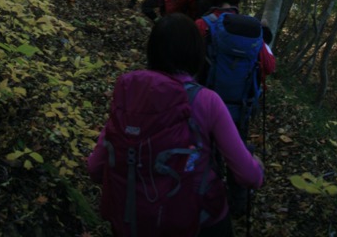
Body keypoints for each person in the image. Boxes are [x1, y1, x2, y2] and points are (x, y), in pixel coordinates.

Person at [87, 14, 264, 236]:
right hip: (198, 221)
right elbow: (248, 176)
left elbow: (95, 168)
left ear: (152, 50)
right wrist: (257, 166)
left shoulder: (130, 93)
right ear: (196, 53)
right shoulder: (207, 101)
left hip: (133, 220)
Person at [195, 0, 275, 217]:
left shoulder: (202, 25)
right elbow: (270, 66)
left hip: (206, 103)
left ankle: (209, 199)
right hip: (241, 106)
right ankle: (238, 205)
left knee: (207, 151)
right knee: (236, 149)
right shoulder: (251, 29)